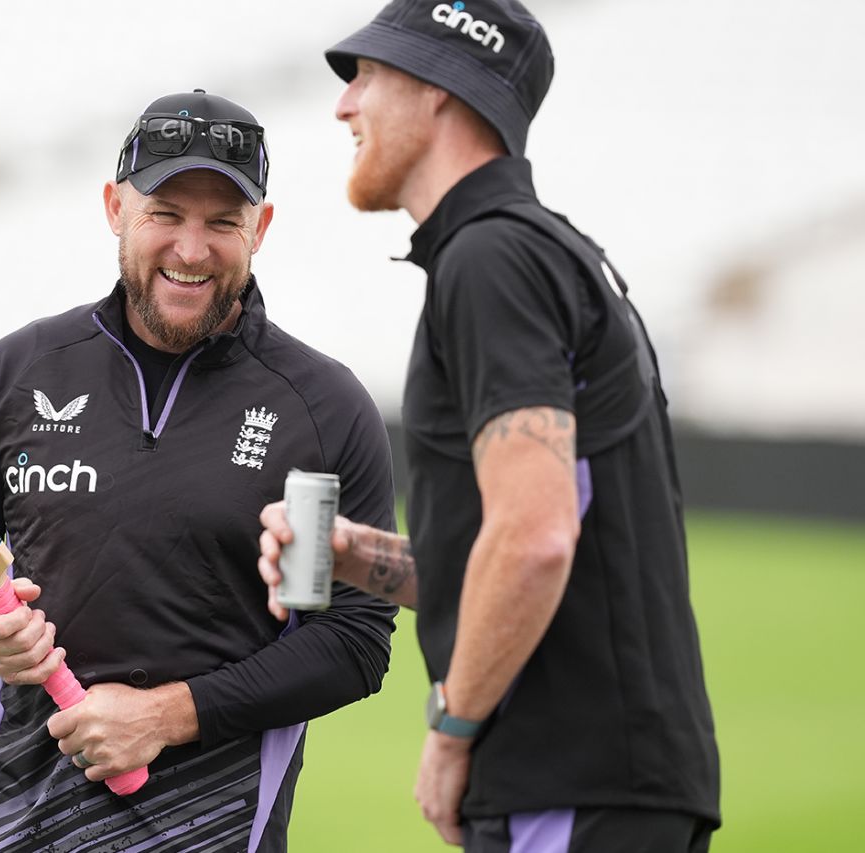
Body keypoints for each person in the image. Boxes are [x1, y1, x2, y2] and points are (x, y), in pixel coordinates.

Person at [256, 2, 721, 850]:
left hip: (569, 779)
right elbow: (532, 546)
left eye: (366, 75)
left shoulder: (491, 260)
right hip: (609, 782)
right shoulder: (539, 251)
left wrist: (453, 727)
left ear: (439, 90)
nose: (343, 106)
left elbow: (538, 537)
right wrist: (361, 558)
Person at [0, 88, 399, 853]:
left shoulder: (322, 409)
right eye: (165, 214)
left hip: (212, 827)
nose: (192, 249)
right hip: (11, 824)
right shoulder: (17, 371)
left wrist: (168, 713)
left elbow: (357, 638)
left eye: (223, 222)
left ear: (261, 228)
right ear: (115, 208)